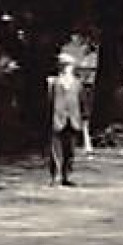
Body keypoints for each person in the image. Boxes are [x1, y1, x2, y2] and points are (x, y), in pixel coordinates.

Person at [46, 51, 84, 186]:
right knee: (56, 150)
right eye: (63, 65)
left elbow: (82, 102)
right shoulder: (53, 82)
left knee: (70, 150)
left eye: (68, 65)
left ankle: (67, 176)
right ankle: (55, 176)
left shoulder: (78, 83)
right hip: (57, 119)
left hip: (73, 120)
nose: (66, 68)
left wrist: (83, 119)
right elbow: (49, 102)